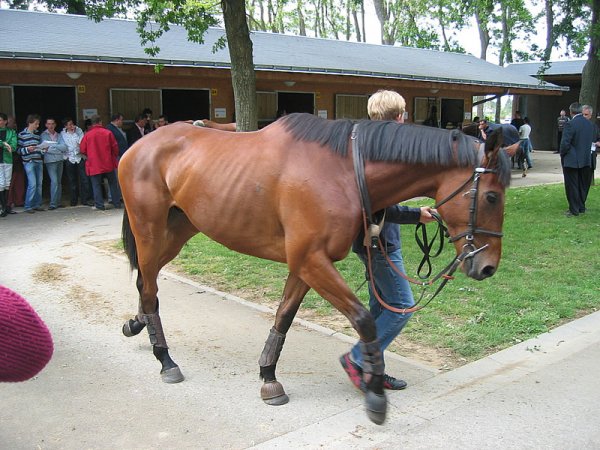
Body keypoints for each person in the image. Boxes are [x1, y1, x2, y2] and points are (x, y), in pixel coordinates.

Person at [339, 90, 437, 392]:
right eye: (404, 113)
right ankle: (357, 358)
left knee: (380, 308)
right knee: (401, 306)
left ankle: (373, 371)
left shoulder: (362, 147)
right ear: (400, 116)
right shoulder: (384, 153)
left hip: (367, 240)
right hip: (380, 243)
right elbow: (378, 203)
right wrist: (415, 215)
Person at [560, 102, 594, 217]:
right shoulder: (590, 124)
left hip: (572, 159)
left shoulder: (570, 124)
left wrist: (563, 155)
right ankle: (581, 207)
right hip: (585, 158)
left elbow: (565, 143)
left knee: (572, 185)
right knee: (582, 185)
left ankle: (574, 209)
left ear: (571, 111)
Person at [79, 115, 121, 211]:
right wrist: (113, 157)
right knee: (113, 183)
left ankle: (99, 205)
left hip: (94, 163)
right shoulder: (108, 133)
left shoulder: (87, 135)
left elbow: (82, 149)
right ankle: (116, 203)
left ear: (92, 123)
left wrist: (89, 156)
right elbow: (115, 148)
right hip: (108, 162)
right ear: (100, 122)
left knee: (96, 184)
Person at [61, 117, 93, 206]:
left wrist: (76, 133)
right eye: (69, 124)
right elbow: (62, 146)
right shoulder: (62, 134)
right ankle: (73, 200)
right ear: (66, 126)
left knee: (84, 179)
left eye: (72, 124)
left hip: (79, 157)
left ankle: (85, 199)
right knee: (72, 180)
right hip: (70, 158)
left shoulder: (78, 131)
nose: (72, 126)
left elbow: (82, 142)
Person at [17, 114, 45, 213]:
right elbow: (18, 150)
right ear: (30, 123)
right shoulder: (21, 135)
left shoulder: (37, 135)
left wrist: (43, 149)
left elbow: (40, 149)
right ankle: (28, 205)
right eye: (36, 124)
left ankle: (37, 204)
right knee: (32, 183)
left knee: (39, 184)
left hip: (38, 160)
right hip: (28, 161)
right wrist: (27, 149)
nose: (37, 126)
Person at [40, 117, 68, 210]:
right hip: (50, 161)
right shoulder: (43, 135)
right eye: (49, 124)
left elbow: (64, 148)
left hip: (60, 160)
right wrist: (57, 148)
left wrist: (52, 147)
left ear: (55, 124)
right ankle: (53, 203)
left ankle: (58, 202)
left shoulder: (59, 135)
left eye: (52, 124)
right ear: (46, 125)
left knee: (59, 182)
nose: (51, 126)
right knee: (54, 181)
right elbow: (44, 149)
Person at [0, 112, 17, 217]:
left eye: (1, 120)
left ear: (5, 121)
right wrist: (4, 143)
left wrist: (6, 145)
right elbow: (7, 145)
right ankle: (3, 207)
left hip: (7, 159)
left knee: (7, 183)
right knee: (1, 183)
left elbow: (14, 146)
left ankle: (5, 206)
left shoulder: (11, 132)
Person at [7, 116, 25, 212]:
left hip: (18, 161)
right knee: (9, 183)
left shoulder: (17, 133)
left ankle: (19, 201)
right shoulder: (6, 133)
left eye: (15, 122)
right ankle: (8, 202)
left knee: (19, 182)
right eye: (12, 122)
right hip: (9, 160)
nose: (14, 124)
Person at [582, 105, 599, 187]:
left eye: (586, 115)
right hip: (580, 158)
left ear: (590, 115)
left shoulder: (594, 127)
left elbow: (598, 138)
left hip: (591, 157)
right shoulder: (577, 126)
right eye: (583, 114)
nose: (584, 116)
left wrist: (598, 143)